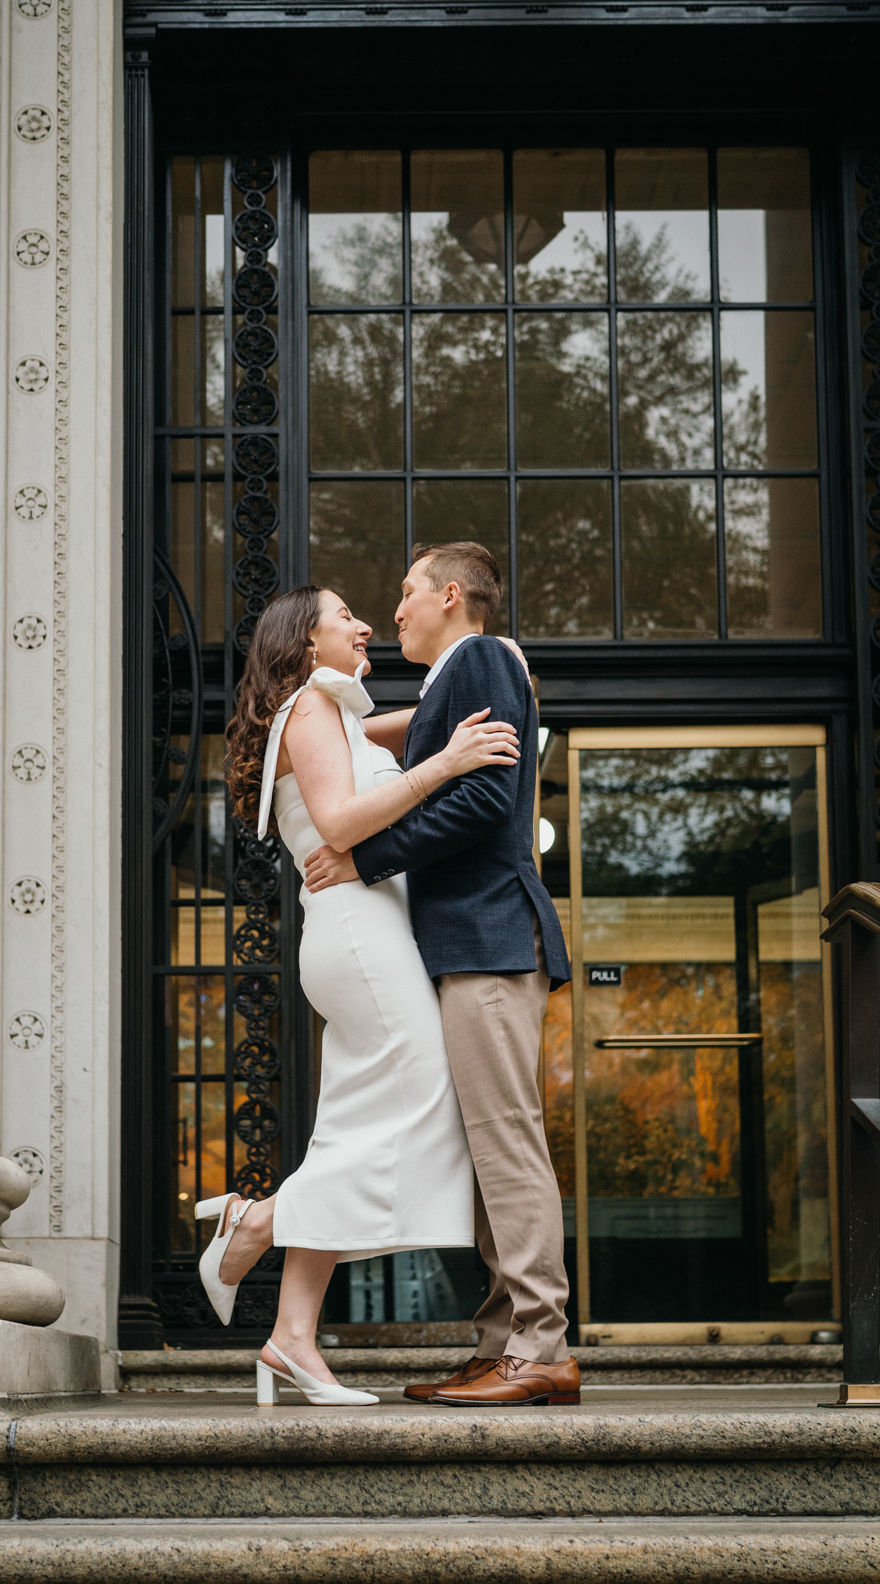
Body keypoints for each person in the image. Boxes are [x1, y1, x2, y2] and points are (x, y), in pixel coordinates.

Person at [210, 583, 523, 1407]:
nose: (365, 623)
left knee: (352, 1130)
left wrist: (507, 680)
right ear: (306, 644)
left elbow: (413, 726)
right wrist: (448, 763)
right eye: (344, 615)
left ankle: (290, 1340)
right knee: (423, 1103)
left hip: (365, 933)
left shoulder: (334, 714)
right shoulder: (311, 711)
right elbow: (344, 822)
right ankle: (261, 1224)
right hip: (359, 932)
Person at [304, 542, 578, 1407]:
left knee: (508, 1146)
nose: (395, 612)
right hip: (472, 946)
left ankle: (540, 1345)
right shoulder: (457, 678)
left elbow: (486, 800)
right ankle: (503, 1342)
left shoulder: (485, 657)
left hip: (492, 942)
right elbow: (392, 735)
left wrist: (366, 858)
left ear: (451, 595)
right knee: (488, 1153)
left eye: (406, 591)